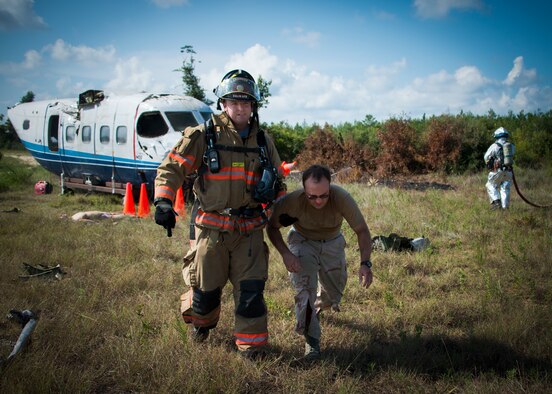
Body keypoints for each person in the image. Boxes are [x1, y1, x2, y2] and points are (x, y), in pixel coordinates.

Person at [153, 69, 285, 359]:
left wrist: (284, 207)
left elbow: (278, 181)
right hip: (211, 232)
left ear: (253, 106)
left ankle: (251, 349)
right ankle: (201, 327)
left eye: (246, 102)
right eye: (234, 102)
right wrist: (163, 201)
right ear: (223, 104)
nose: (240, 108)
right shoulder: (203, 135)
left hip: (249, 231)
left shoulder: (263, 141)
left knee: (251, 294)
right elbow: (171, 168)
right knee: (205, 293)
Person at [266, 164, 373, 361]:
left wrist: (365, 263)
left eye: (323, 195)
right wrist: (286, 254)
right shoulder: (293, 202)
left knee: (333, 295)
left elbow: (362, 230)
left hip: (332, 243)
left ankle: (316, 309)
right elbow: (272, 227)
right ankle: (312, 343)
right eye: (312, 196)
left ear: (330, 188)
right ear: (304, 190)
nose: (318, 201)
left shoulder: (341, 198)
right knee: (304, 290)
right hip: (303, 242)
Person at [484, 127, 516, 210]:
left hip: (498, 170)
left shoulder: (494, 146)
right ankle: (505, 207)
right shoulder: (511, 146)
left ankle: (496, 202)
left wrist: (490, 164)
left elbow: (486, 157)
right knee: (505, 188)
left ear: (497, 136)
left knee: (490, 185)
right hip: (509, 171)